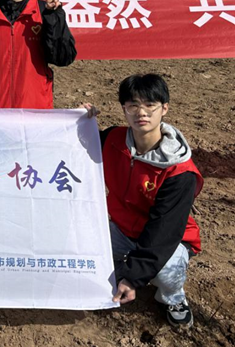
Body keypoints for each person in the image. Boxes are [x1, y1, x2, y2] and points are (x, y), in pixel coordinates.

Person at [85, 74, 203, 328]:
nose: (141, 113)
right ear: (124, 109)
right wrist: (81, 121)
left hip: (170, 238)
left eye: (150, 105)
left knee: (166, 272)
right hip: (122, 229)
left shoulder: (180, 171)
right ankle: (123, 268)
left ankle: (173, 298)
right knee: (84, 249)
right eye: (133, 105)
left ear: (164, 108)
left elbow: (164, 230)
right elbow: (80, 144)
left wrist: (133, 278)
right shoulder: (113, 140)